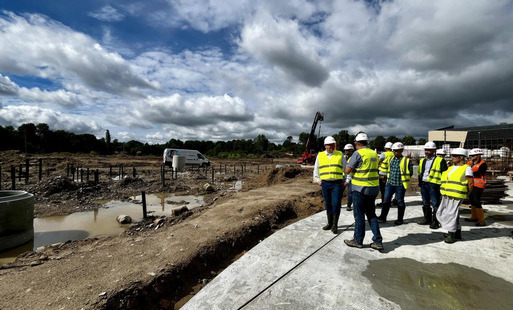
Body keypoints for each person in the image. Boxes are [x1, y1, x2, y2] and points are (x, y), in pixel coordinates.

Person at [344, 132, 383, 251]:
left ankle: (358, 240)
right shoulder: (374, 153)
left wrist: (355, 171)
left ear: (357, 143)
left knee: (359, 215)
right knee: (371, 214)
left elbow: (347, 170)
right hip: (373, 188)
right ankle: (378, 241)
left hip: (360, 189)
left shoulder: (357, 153)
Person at [437, 148, 473, 243]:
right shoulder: (451, 168)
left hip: (457, 195)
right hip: (447, 194)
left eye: (454, 156)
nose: (452, 158)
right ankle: (457, 232)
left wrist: (467, 194)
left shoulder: (466, 168)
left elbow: (470, 183)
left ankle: (451, 234)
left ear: (461, 157)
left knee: (451, 214)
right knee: (451, 214)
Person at [313, 136, 346, 234]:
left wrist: (347, 180)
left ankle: (335, 225)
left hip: (337, 183)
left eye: (332, 145)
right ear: (325, 146)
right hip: (325, 184)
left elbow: (346, 169)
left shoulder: (340, 154)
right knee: (328, 204)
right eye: (329, 145)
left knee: (336, 204)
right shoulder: (320, 155)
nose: (331, 147)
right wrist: (318, 180)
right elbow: (316, 169)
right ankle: (329, 223)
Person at [377, 142, 413, 225]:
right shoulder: (390, 159)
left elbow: (410, 172)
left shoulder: (406, 160)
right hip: (390, 183)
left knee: (400, 202)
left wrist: (404, 179)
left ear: (401, 151)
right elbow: (385, 168)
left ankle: (400, 219)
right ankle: (383, 217)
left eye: (397, 151)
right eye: (394, 151)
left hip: (400, 184)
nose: (395, 152)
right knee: (386, 201)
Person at [417, 142, 448, 229]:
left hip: (434, 185)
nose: (427, 152)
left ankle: (436, 221)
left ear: (434, 150)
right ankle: (427, 219)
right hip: (424, 184)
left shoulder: (440, 160)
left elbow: (444, 174)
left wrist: (442, 186)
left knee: (435, 204)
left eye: (429, 150)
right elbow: (420, 172)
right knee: (425, 203)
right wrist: (420, 182)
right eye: (426, 150)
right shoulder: (423, 160)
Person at [465, 148, 487, 226]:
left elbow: (479, 173)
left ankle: (481, 220)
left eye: (473, 156)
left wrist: (470, 172)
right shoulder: (469, 163)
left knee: (476, 201)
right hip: (471, 184)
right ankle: (474, 216)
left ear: (478, 156)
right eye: (471, 156)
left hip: (479, 185)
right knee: (472, 200)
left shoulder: (483, 164)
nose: (471, 157)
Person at [343, 144, 355, 211]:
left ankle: (349, 205)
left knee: (350, 191)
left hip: (351, 178)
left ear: (351, 151)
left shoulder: (354, 158)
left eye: (347, 150)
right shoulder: (344, 157)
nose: (345, 151)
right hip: (343, 177)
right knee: (339, 191)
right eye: (345, 150)